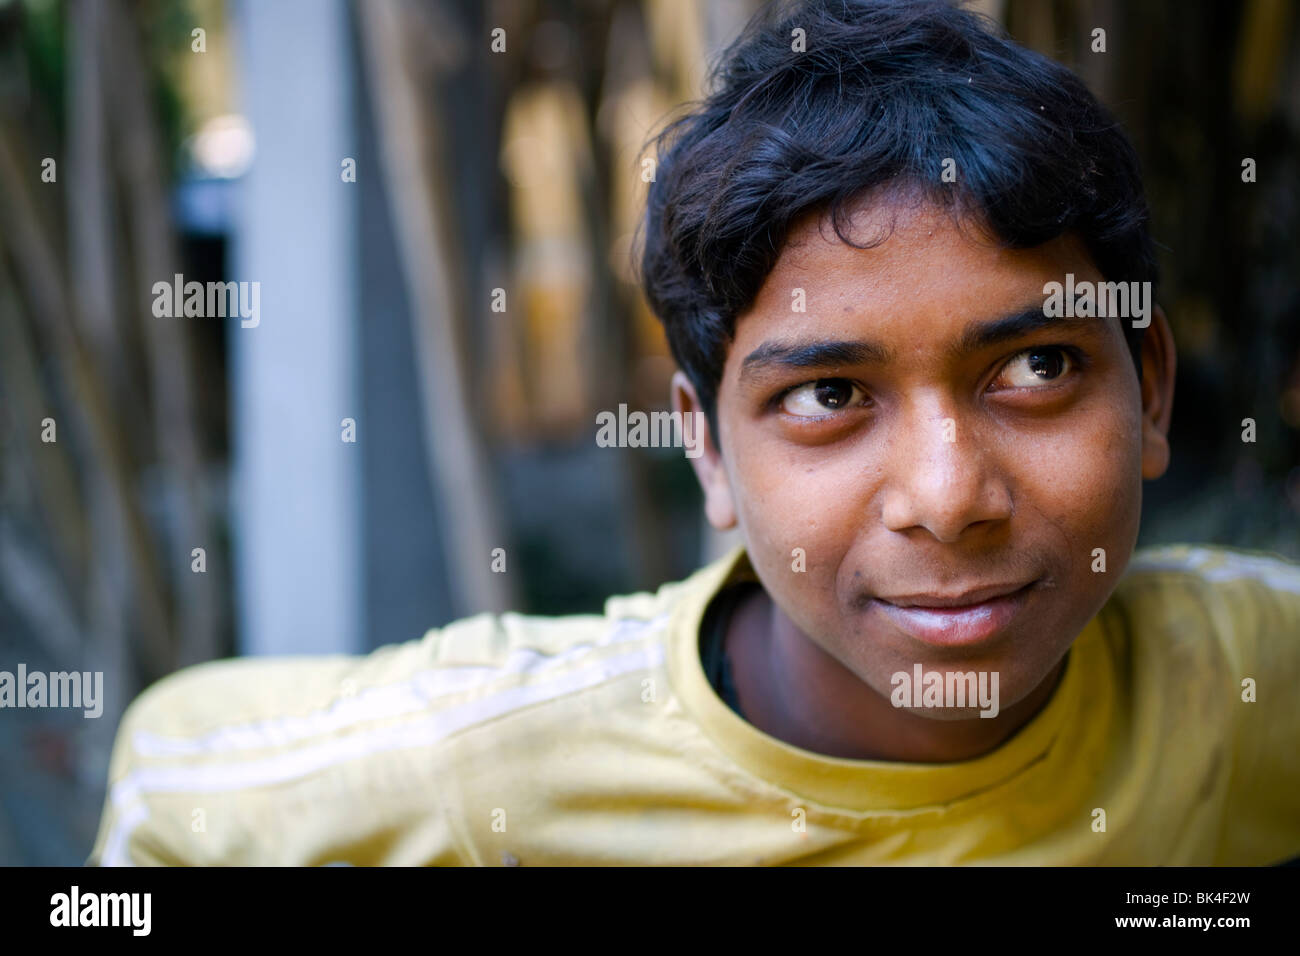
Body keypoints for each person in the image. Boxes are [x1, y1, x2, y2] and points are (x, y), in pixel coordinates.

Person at [90, 0, 1300, 866]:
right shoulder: (484, 766)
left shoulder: (1243, 676)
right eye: (827, 396)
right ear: (709, 447)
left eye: (1034, 367)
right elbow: (171, 777)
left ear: (1145, 389)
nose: (946, 495)